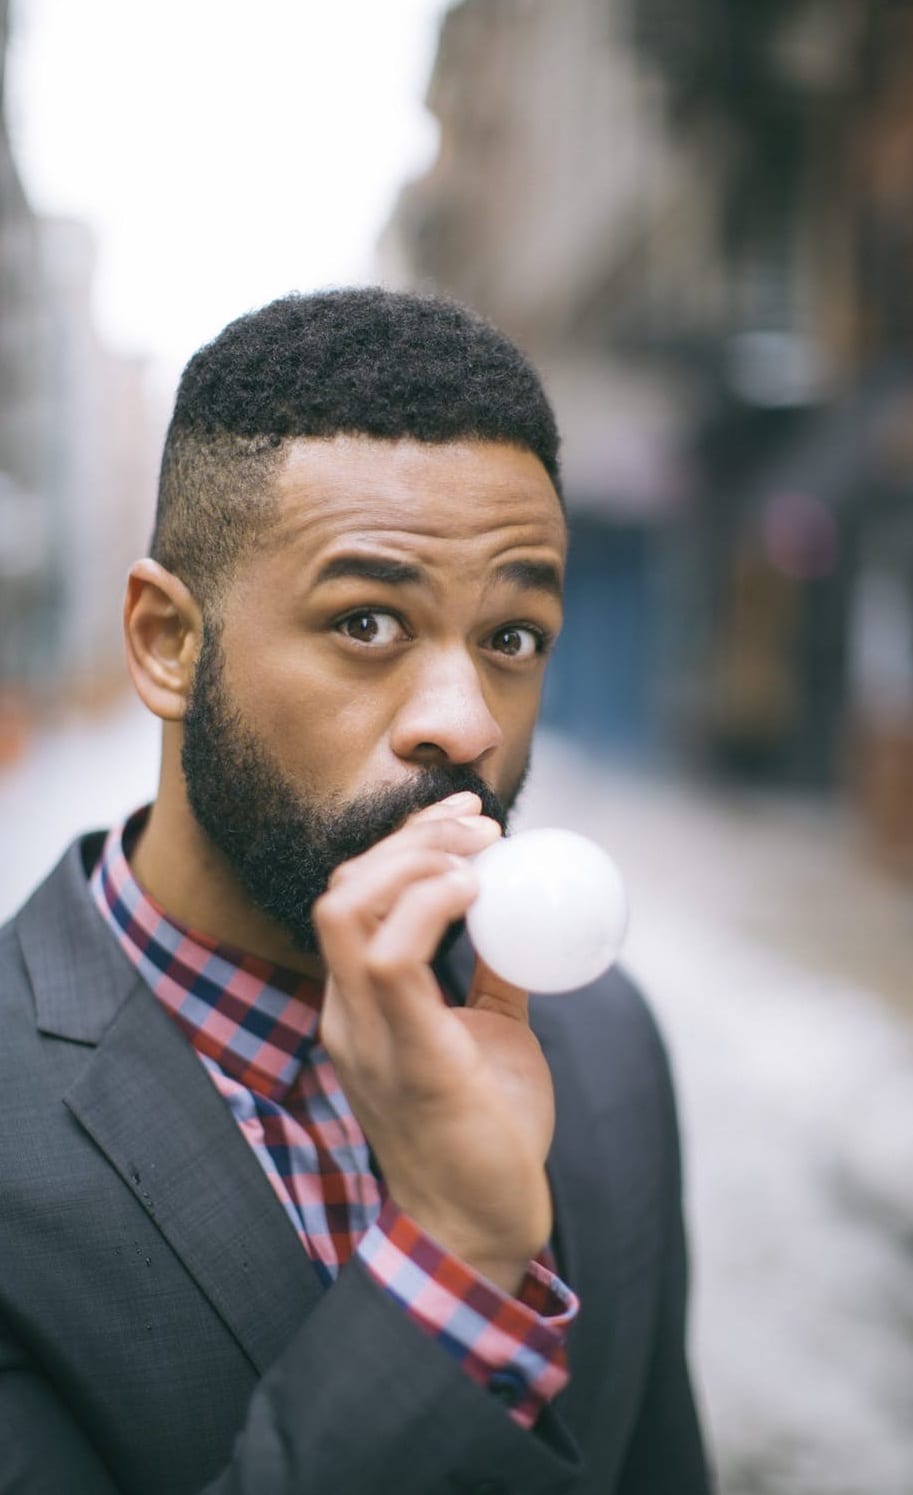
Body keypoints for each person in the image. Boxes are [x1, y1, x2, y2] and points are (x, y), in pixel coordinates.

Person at [0, 289, 711, 1494]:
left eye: (513, 636)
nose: (468, 724)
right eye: (369, 620)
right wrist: (454, 1253)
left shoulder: (605, 1048)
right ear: (169, 642)